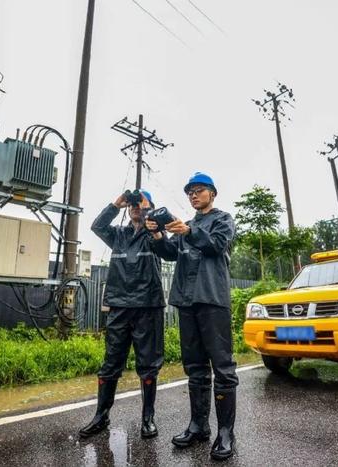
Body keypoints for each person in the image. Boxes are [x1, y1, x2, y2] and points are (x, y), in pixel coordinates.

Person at [146, 172, 239, 460]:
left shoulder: (223, 220)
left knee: (223, 368)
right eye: (190, 192)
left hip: (213, 299)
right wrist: (158, 234)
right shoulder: (185, 226)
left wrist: (188, 232)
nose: (194, 195)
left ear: (212, 193)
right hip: (187, 301)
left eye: (199, 191)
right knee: (195, 367)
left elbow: (216, 245)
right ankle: (198, 425)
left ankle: (226, 432)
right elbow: (171, 253)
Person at [79, 189, 165, 439]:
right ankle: (101, 416)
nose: (136, 207)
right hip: (119, 307)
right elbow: (97, 225)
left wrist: (149, 209)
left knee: (148, 366)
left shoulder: (154, 234)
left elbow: (162, 240)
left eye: (140, 204)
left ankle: (148, 418)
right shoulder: (117, 235)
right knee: (110, 365)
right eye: (133, 205)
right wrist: (117, 203)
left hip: (147, 307)